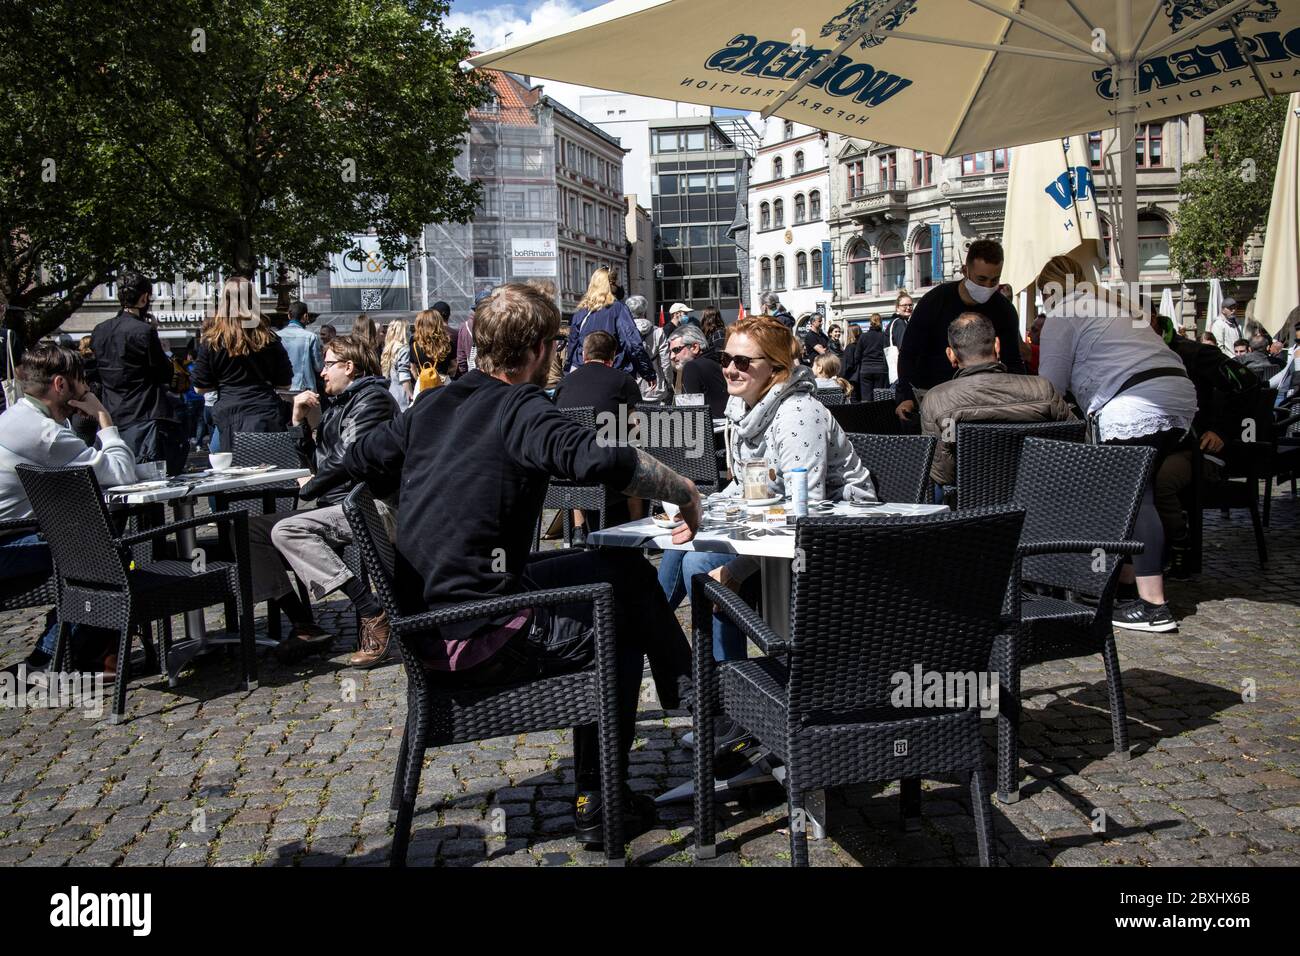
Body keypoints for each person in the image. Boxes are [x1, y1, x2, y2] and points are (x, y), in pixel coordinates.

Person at [343, 282, 699, 844]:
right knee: (619, 624)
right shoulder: (521, 407)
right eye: (554, 345)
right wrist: (683, 489)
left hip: (431, 619)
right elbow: (594, 457)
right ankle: (602, 798)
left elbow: (360, 457)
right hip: (480, 635)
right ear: (537, 350)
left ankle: (686, 693)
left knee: (617, 568)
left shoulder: (432, 403)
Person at [658, 315, 875, 733]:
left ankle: (732, 711)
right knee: (680, 543)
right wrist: (698, 506)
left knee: (703, 567)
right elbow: (746, 485)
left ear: (776, 370)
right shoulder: (743, 408)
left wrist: (736, 571)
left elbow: (805, 509)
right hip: (774, 528)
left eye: (743, 362)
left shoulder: (798, 414)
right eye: (726, 358)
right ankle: (674, 655)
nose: (729, 369)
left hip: (836, 542)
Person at [1035, 255, 1196, 633]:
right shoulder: (1108, 302)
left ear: (1049, 289)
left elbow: (1050, 387)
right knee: (1139, 495)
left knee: (1138, 500)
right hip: (1175, 395)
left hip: (1133, 402)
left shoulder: (1063, 312)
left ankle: (1154, 607)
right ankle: (1126, 587)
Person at [240, 334, 399, 666]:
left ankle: (372, 612)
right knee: (248, 531)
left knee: (287, 531)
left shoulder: (373, 401)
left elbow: (346, 458)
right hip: (337, 507)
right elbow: (318, 463)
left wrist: (309, 488)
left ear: (349, 366)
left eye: (327, 365)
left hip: (371, 507)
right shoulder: (338, 405)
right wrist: (300, 422)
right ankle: (303, 623)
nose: (321, 373)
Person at [0, 344, 137, 672]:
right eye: (82, 381)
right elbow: (121, 473)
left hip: (15, 535)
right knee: (111, 562)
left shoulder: (20, 418)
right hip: (6, 546)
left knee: (98, 552)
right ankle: (49, 658)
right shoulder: (42, 433)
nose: (87, 389)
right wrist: (104, 418)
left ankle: (84, 653)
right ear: (61, 385)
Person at [1146, 313, 1260, 578]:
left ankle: (1180, 545)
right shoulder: (1132, 353)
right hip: (1155, 445)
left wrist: (1222, 430)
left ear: (1151, 319)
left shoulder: (1193, 353)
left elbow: (1248, 383)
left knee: (1158, 481)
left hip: (1195, 451)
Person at [919, 313, 1073, 489]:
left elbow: (942, 473)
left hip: (972, 506)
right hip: (1042, 496)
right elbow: (1078, 443)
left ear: (951, 355)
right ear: (997, 346)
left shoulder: (937, 400)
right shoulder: (1043, 389)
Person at [895, 242, 1023, 423]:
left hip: (984, 397)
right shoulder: (935, 301)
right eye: (981, 279)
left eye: (994, 280)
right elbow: (909, 352)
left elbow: (1013, 359)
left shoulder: (1004, 309)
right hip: (932, 394)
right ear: (965, 270)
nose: (987, 286)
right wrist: (906, 396)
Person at [89, 271, 189, 475]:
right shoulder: (143, 331)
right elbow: (164, 373)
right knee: (150, 479)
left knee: (118, 477)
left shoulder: (100, 330)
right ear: (144, 298)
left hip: (111, 415)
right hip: (145, 415)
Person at [555, 330, 646, 537]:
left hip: (569, 467)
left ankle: (579, 529)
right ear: (612, 356)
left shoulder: (564, 384)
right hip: (607, 467)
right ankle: (638, 527)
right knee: (635, 457)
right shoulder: (623, 380)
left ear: (584, 354)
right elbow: (637, 425)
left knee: (577, 450)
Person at [191, 277, 294, 452]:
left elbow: (200, 388)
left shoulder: (212, 341)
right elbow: (285, 383)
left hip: (229, 419)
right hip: (266, 416)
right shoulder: (269, 339)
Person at [566, 269, 657, 385]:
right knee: (622, 403)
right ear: (611, 285)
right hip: (614, 374)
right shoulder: (618, 309)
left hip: (584, 374)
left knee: (589, 403)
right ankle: (623, 405)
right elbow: (632, 343)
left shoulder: (581, 312)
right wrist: (648, 373)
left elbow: (572, 346)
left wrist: (568, 372)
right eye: (617, 283)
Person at [669, 323, 728, 419]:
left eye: (676, 350)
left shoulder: (692, 367)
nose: (671, 356)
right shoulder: (713, 361)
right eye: (670, 352)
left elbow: (691, 416)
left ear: (695, 347)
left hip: (710, 430)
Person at [627, 294, 672, 403]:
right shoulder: (658, 332)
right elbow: (665, 361)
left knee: (628, 419)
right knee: (656, 419)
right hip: (655, 386)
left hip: (630, 386)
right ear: (645, 312)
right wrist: (669, 382)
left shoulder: (623, 333)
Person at [279, 302, 323, 395]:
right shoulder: (311, 337)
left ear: (288, 316)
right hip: (305, 390)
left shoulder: (276, 336)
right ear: (305, 316)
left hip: (281, 389)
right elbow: (319, 367)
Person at [409, 307, 454, 400]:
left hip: (422, 384)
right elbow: (454, 366)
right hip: (444, 383)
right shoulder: (448, 344)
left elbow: (412, 369)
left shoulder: (414, 346)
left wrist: (421, 377)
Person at [843, 313, 888, 401]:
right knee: (879, 398)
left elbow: (857, 356)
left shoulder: (863, 337)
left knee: (866, 398)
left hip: (866, 369)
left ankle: (867, 414)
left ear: (870, 323)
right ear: (881, 322)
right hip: (881, 369)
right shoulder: (884, 336)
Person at [455, 289, 492, 378]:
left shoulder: (465, 326)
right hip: (494, 376)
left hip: (473, 375)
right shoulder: (495, 324)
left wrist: (466, 375)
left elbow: (461, 359)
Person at [380, 319, 413, 411]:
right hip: (402, 396)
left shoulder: (388, 348)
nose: (410, 332)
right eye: (408, 329)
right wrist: (411, 396)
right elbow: (404, 376)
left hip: (390, 393)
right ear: (403, 332)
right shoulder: (404, 349)